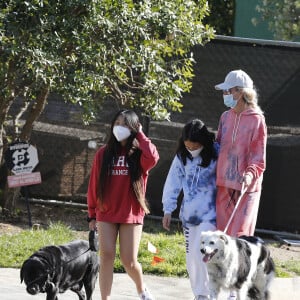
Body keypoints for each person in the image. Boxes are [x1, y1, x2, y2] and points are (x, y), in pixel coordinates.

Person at [87, 109, 159, 300]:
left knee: (129, 261)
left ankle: (141, 289)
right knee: (106, 256)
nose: (120, 127)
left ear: (134, 128)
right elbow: (94, 184)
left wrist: (141, 135)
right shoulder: (103, 153)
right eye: (117, 122)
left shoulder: (139, 154)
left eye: (125, 124)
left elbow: (153, 157)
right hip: (106, 212)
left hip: (131, 213)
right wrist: (91, 213)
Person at [162, 119, 218, 300]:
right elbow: (173, 181)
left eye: (195, 146)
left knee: (202, 252)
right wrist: (168, 209)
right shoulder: (182, 156)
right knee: (191, 257)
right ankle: (199, 294)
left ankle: (209, 292)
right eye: (188, 146)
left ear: (204, 142)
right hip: (188, 216)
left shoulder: (217, 153)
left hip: (210, 216)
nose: (191, 150)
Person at [214, 69, 267, 238]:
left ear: (241, 92)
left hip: (246, 187)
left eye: (228, 91)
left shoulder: (257, 119)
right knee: (223, 237)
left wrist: (250, 175)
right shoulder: (224, 117)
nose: (224, 94)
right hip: (224, 184)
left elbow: (259, 156)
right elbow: (218, 146)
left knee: (240, 237)